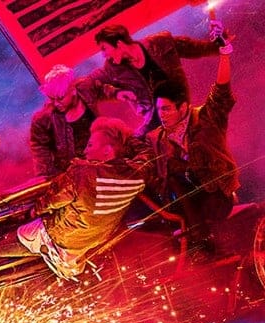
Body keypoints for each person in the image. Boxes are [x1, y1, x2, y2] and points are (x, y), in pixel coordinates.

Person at [138, 23, 239, 251]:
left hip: (215, 196)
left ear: (182, 107)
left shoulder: (205, 119)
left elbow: (221, 91)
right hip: (183, 204)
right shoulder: (156, 139)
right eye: (159, 110)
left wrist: (224, 54)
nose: (162, 115)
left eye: (166, 109)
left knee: (178, 172)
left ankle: (200, 240)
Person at [17, 117, 149, 279]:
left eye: (90, 145)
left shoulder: (82, 173)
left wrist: (33, 211)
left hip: (63, 236)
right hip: (96, 238)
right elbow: (147, 155)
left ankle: (54, 253)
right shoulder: (137, 174)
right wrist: (126, 138)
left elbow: (51, 200)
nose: (85, 151)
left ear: (107, 151)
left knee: (17, 235)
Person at [79, 22, 220, 136]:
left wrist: (219, 44)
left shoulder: (159, 42)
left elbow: (193, 48)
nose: (104, 55)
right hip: (154, 120)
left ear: (119, 44)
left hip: (180, 110)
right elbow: (88, 85)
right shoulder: (112, 68)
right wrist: (116, 93)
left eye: (104, 48)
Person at [30, 64, 121, 177]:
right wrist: (47, 174)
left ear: (73, 90)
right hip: (75, 171)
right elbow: (39, 147)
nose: (56, 103)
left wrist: (117, 93)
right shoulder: (44, 118)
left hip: (102, 159)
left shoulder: (85, 89)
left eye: (60, 98)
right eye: (52, 98)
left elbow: (101, 89)